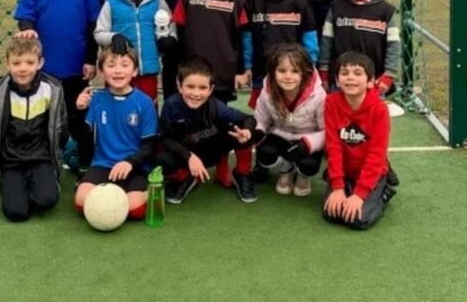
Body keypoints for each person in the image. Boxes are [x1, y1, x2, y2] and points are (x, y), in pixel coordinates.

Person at [13, 0, 100, 168]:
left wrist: (91, 60)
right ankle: (44, 162)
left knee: (79, 119)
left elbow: (94, 27)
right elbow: (25, 17)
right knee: (44, 119)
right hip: (44, 71)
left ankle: (86, 165)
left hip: (76, 70)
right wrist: (27, 27)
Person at [0, 37, 67, 222]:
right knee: (16, 213)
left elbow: (61, 129)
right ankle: (14, 186)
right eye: (16, 63)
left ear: (40, 63)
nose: (23, 68)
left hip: (41, 157)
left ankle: (46, 180)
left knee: (46, 200)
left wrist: (55, 160)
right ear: (7, 63)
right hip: (11, 161)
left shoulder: (53, 90)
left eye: (30, 62)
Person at [73, 42, 158, 221]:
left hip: (135, 166)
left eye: (125, 65)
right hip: (103, 164)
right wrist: (80, 110)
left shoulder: (144, 103)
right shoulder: (96, 99)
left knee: (135, 209)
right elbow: (82, 136)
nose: (118, 71)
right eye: (111, 65)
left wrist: (130, 162)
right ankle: (110, 192)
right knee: (81, 202)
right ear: (102, 72)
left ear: (134, 71)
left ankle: (144, 191)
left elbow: (149, 145)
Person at [157, 56, 258, 204]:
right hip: (187, 154)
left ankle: (241, 173)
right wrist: (189, 156)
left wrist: (247, 131)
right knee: (163, 159)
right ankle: (185, 177)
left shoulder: (216, 106)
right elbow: (164, 138)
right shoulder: (171, 106)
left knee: (243, 131)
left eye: (202, 88)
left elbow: (249, 119)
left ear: (210, 89)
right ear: (179, 85)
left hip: (212, 150)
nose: (196, 93)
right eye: (190, 86)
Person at [172, 0, 249, 104]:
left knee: (219, 121)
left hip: (223, 75)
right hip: (193, 77)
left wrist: (242, 70)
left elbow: (243, 38)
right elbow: (178, 36)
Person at [323, 51, 395, 230]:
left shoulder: (379, 110)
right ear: (337, 81)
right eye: (344, 73)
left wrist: (360, 194)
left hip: (371, 172)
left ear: (370, 82)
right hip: (346, 173)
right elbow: (333, 147)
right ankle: (346, 188)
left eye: (357, 73)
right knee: (332, 214)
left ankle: (383, 191)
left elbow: (376, 155)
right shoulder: (331, 102)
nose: (350, 78)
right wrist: (338, 186)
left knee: (358, 220)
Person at [94, 0, 177, 102]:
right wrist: (113, 37)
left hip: (148, 72)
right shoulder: (111, 2)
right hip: (119, 72)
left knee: (147, 111)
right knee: (118, 111)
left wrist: (170, 38)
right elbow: (99, 33)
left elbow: (170, 23)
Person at [243, 0, 318, 109]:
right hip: (261, 71)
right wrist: (247, 66)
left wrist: (310, 65)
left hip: (292, 72)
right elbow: (246, 38)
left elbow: (310, 36)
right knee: (262, 116)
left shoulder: (300, 0)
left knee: (292, 112)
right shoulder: (251, 0)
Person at [317, 0, 400, 96]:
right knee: (340, 117)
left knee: (370, 117)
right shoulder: (337, 7)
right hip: (341, 80)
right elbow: (326, 40)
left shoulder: (386, 11)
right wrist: (323, 70)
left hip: (373, 82)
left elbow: (393, 45)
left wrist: (389, 75)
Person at [254, 43, 326, 197]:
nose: (288, 76)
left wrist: (308, 144)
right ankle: (285, 169)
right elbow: (261, 119)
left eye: (295, 71)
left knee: (309, 165)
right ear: (273, 72)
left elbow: (326, 130)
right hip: (281, 135)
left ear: (305, 72)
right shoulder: (267, 91)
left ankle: (303, 175)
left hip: (307, 138)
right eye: (282, 70)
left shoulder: (319, 95)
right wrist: (258, 132)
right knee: (264, 153)